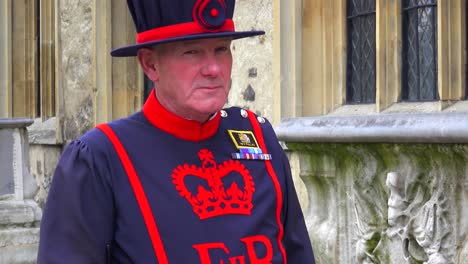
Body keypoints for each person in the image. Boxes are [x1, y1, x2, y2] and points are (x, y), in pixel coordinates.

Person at [37, 0, 316, 263]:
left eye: (221, 49)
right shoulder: (100, 159)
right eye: (192, 52)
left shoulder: (258, 138)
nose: (214, 69)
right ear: (150, 64)